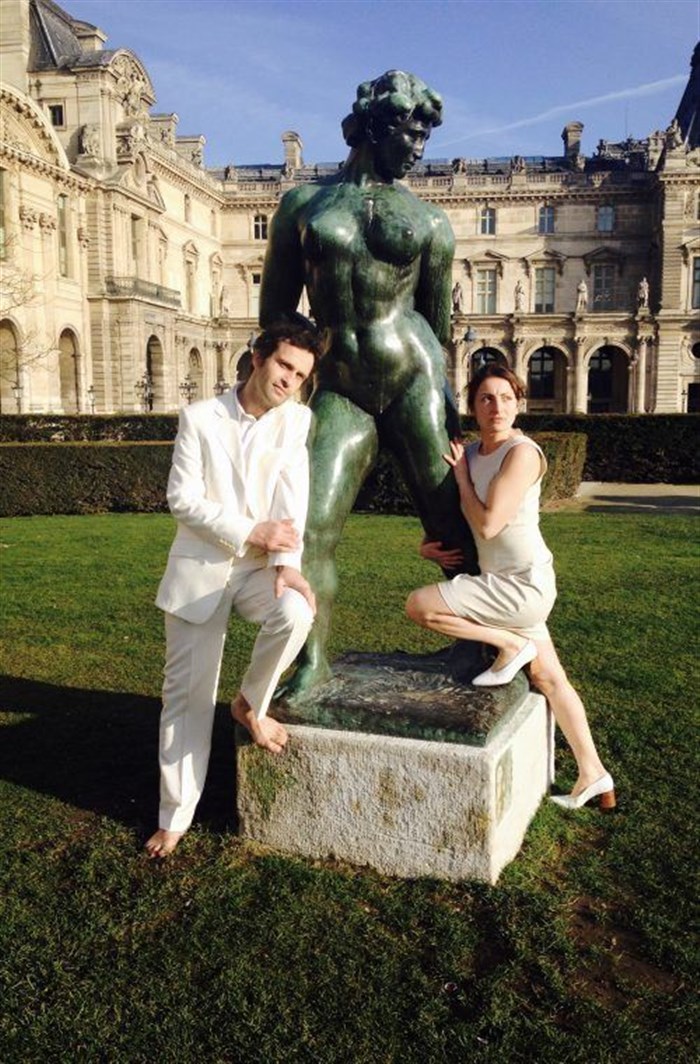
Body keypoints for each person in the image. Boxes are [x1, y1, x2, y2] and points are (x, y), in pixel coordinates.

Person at [260, 70, 478, 698]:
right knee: (310, 527)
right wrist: (299, 368)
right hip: (340, 387)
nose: (419, 151)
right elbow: (276, 309)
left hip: (413, 376)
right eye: (411, 135)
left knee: (450, 522)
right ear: (377, 128)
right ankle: (311, 660)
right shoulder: (303, 206)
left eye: (425, 139)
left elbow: (437, 327)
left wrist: (448, 404)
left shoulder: (430, 220)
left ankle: (476, 646)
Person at [145, 319, 328, 858]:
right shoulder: (200, 418)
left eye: (301, 375)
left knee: (296, 611)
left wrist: (287, 563)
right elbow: (183, 499)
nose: (290, 380)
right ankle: (174, 817)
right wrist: (251, 531)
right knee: (187, 698)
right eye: (284, 365)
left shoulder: (296, 420)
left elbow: (293, 496)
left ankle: (250, 703)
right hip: (199, 573)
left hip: (257, 571)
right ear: (258, 357)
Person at [406, 364, 614, 810]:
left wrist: (462, 478)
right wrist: (429, 547)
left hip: (522, 584)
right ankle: (595, 774)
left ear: (518, 404)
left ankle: (510, 644)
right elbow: (462, 522)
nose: (496, 407)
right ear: (473, 406)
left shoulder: (522, 453)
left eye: (505, 398)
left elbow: (489, 523)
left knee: (420, 606)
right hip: (500, 581)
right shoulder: (472, 452)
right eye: (486, 398)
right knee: (549, 678)